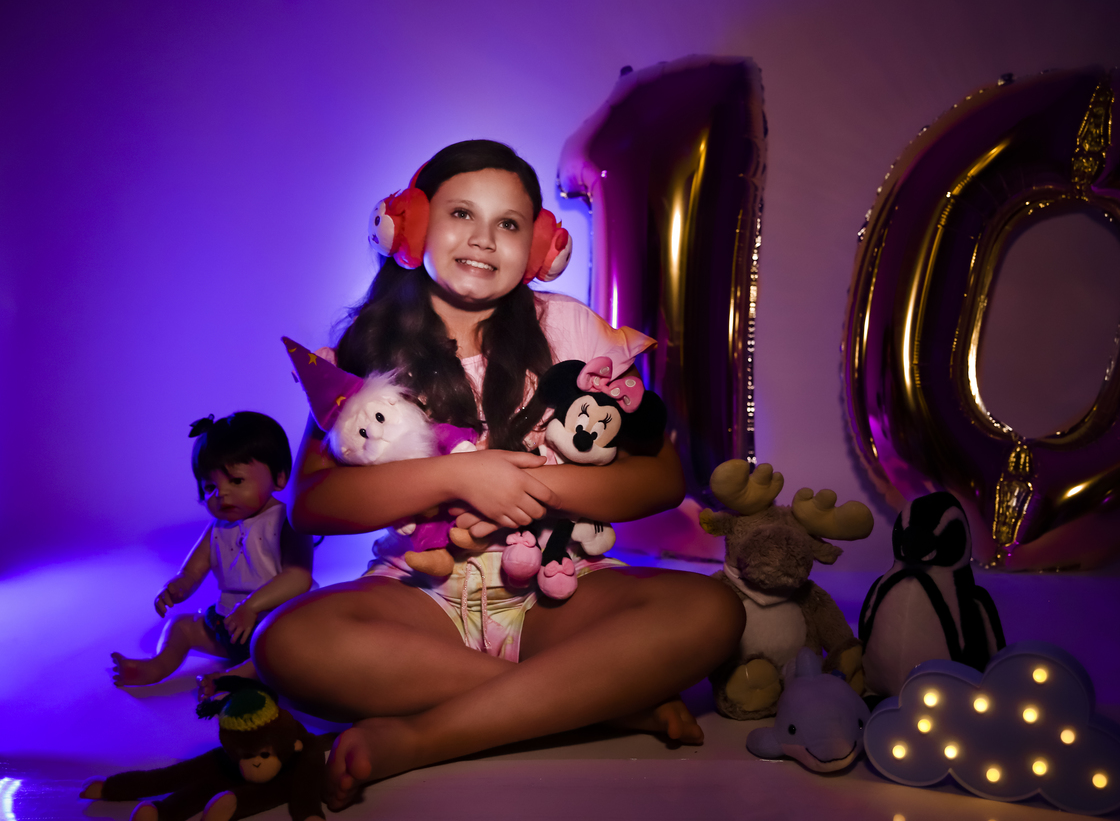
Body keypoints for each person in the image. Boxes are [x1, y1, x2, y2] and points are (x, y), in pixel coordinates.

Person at [251, 140, 745, 809]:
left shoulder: (570, 329)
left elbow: (661, 478)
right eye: (461, 214)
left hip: (558, 589)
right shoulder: (366, 344)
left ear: (540, 246)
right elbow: (313, 502)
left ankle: (425, 737)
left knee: (712, 611)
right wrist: (462, 478)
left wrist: (530, 487)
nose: (484, 238)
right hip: (420, 597)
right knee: (284, 643)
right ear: (410, 224)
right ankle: (595, 701)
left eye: (508, 223)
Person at [112, 412, 314, 693]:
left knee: (281, 643)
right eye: (210, 486)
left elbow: (298, 577)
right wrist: (177, 587)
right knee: (181, 626)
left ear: (279, 477)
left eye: (236, 481)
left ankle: (232, 678)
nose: (221, 493)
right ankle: (156, 665)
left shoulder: (288, 521)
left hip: (274, 622)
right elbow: (191, 572)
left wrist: (251, 607)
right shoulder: (217, 528)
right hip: (228, 625)